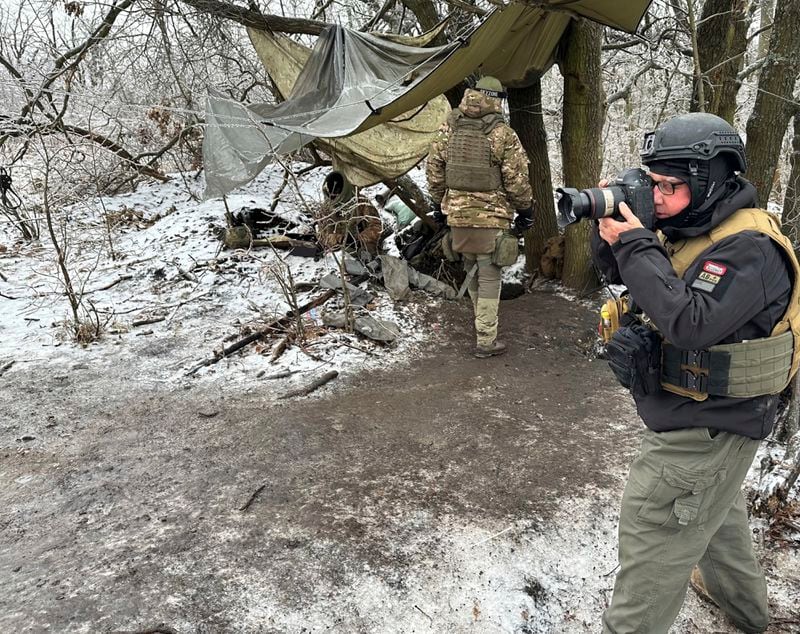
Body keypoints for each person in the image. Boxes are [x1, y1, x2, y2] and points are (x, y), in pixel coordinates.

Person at [591, 112, 800, 633]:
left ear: (709, 181)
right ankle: (747, 611)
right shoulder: (692, 226)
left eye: (670, 186)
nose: (656, 197)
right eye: (652, 183)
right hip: (701, 414)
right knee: (716, 512)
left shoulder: (748, 249)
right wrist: (615, 233)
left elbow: (688, 321)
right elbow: (626, 275)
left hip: (711, 425)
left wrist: (637, 242)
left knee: (655, 527)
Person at [425, 76, 534, 358]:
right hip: (491, 216)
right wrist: (526, 209)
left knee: (471, 266)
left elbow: (434, 167)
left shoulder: (449, 126)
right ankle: (485, 339)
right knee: (489, 275)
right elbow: (516, 179)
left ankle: (481, 326)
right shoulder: (502, 133)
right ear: (497, 99)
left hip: (458, 217)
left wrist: (439, 204)